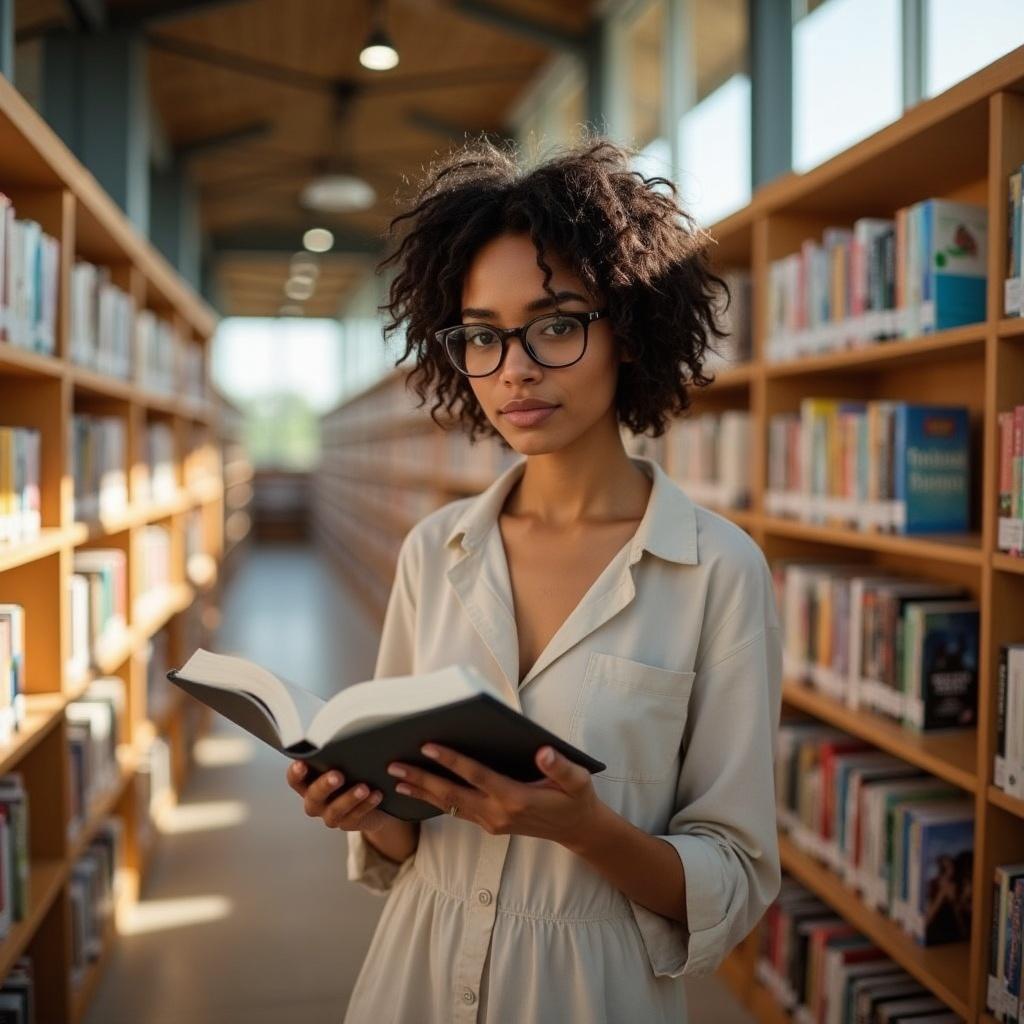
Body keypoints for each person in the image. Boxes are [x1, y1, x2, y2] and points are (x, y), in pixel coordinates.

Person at [286, 135, 783, 1023]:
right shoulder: (434, 550)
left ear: (627, 328)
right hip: (414, 981)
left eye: (555, 324)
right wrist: (362, 807)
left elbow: (734, 879)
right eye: (483, 335)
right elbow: (408, 837)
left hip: (593, 994)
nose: (514, 368)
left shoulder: (717, 570)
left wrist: (587, 831)